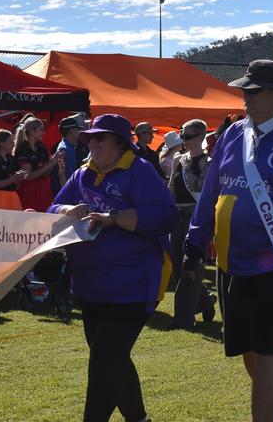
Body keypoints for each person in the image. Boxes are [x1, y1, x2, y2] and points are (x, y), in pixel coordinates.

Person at [184, 59, 273, 422]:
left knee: (268, 351)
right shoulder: (234, 133)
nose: (244, 96)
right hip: (231, 262)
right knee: (248, 349)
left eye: (253, 90)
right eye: (244, 90)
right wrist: (195, 240)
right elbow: (210, 191)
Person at [49, 114, 177, 422]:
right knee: (112, 358)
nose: (92, 143)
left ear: (120, 143)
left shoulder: (140, 171)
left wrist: (116, 217)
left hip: (133, 284)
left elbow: (166, 217)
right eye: (89, 138)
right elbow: (52, 208)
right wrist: (70, 209)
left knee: (105, 358)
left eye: (99, 138)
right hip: (90, 284)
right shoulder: (82, 174)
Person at [167, 119, 215, 329]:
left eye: (188, 136)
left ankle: (183, 319)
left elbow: (209, 195)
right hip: (178, 214)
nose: (183, 140)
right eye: (182, 135)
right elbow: (171, 187)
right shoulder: (179, 159)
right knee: (177, 266)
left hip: (197, 216)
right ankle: (205, 301)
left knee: (191, 265)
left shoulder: (211, 163)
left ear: (201, 137)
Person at [13, 116, 63, 211]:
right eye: (41, 129)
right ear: (32, 132)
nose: (43, 132)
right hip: (28, 191)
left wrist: (54, 162)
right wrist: (50, 164)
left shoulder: (42, 147)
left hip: (44, 189)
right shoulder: (22, 149)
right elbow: (28, 176)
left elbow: (45, 174)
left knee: (45, 219)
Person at [54, 115, 85, 194]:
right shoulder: (65, 149)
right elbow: (66, 175)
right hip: (68, 191)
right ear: (71, 132)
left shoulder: (67, 147)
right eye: (77, 129)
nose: (79, 131)